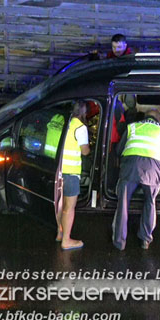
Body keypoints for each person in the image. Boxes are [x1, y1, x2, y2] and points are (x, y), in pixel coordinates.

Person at [112, 109, 160, 250]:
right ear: (158, 119)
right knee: (150, 203)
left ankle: (119, 242)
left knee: (123, 204)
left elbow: (119, 150)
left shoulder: (132, 127)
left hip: (131, 169)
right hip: (153, 170)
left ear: (145, 117)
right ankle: (145, 239)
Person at [56, 100, 91, 250]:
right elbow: (84, 151)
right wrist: (90, 148)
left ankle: (59, 232)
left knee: (59, 204)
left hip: (56, 170)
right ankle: (66, 240)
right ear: (83, 112)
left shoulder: (56, 120)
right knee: (69, 207)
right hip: (70, 172)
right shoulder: (80, 127)